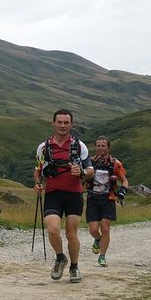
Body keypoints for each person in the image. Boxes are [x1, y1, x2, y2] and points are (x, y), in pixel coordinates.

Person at [34, 109, 93, 283]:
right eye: (59, 122)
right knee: (52, 229)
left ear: (71, 124)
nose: (62, 125)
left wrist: (81, 171)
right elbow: (38, 169)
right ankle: (60, 257)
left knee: (71, 233)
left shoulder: (79, 146)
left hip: (74, 194)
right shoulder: (43, 147)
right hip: (53, 193)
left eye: (66, 122)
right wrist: (37, 184)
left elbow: (90, 170)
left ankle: (74, 267)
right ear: (53, 123)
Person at [85, 136, 129, 267]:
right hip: (92, 198)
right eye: (98, 146)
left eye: (103, 146)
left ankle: (102, 256)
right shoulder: (90, 162)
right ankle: (97, 239)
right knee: (93, 229)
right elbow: (82, 178)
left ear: (108, 147)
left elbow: (125, 180)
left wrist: (122, 192)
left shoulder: (116, 163)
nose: (100, 148)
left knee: (105, 228)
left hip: (108, 199)